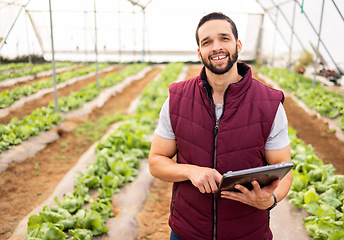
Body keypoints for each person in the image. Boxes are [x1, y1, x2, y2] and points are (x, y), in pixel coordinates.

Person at [148, 12, 293, 240]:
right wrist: (190, 171)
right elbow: (156, 162)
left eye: (224, 38)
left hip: (247, 233)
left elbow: (283, 169)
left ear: (238, 44)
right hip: (188, 232)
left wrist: (271, 200)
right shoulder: (177, 99)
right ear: (199, 52)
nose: (216, 47)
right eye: (207, 42)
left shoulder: (269, 103)